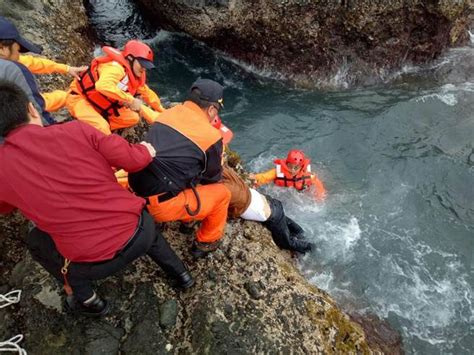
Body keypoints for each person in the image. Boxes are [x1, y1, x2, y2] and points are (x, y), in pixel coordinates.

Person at [0, 81, 193, 317]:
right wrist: (146, 150)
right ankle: (182, 276)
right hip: (138, 234)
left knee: (36, 241)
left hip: (91, 266)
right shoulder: (77, 130)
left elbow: (5, 208)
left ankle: (91, 302)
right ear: (32, 108)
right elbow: (133, 160)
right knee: (148, 229)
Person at [128, 78, 231, 258]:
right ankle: (205, 241)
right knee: (222, 194)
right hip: (158, 205)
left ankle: (187, 219)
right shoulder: (211, 136)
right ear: (212, 109)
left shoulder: (169, 113)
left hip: (135, 185)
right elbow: (212, 178)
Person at [66, 40, 166, 135]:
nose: (144, 68)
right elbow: (102, 86)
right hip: (80, 99)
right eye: (142, 64)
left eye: (146, 66)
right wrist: (130, 100)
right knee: (102, 127)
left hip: (101, 106)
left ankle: (95, 124)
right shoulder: (115, 68)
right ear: (130, 58)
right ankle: (90, 128)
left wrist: (163, 111)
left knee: (133, 118)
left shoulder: (134, 75)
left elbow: (147, 94)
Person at [0, 16, 86, 125]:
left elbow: (35, 63)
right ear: (2, 48)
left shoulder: (8, 61)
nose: (19, 55)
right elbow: (37, 115)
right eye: (18, 50)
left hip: (19, 110)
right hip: (15, 123)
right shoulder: (14, 71)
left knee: (63, 96)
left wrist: (67, 69)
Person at [222, 166, 313, 253]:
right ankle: (301, 233)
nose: (292, 170)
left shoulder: (222, 190)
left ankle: (312, 248)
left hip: (272, 214)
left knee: (285, 243)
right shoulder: (225, 174)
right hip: (270, 201)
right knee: (283, 220)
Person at [251, 149, 327, 201]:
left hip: (299, 195)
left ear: (301, 167)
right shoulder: (278, 171)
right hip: (281, 194)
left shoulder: (308, 175)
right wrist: (254, 179)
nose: (292, 170)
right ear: (286, 164)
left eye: (296, 167)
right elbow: (264, 177)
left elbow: (318, 185)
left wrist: (319, 197)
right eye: (290, 166)